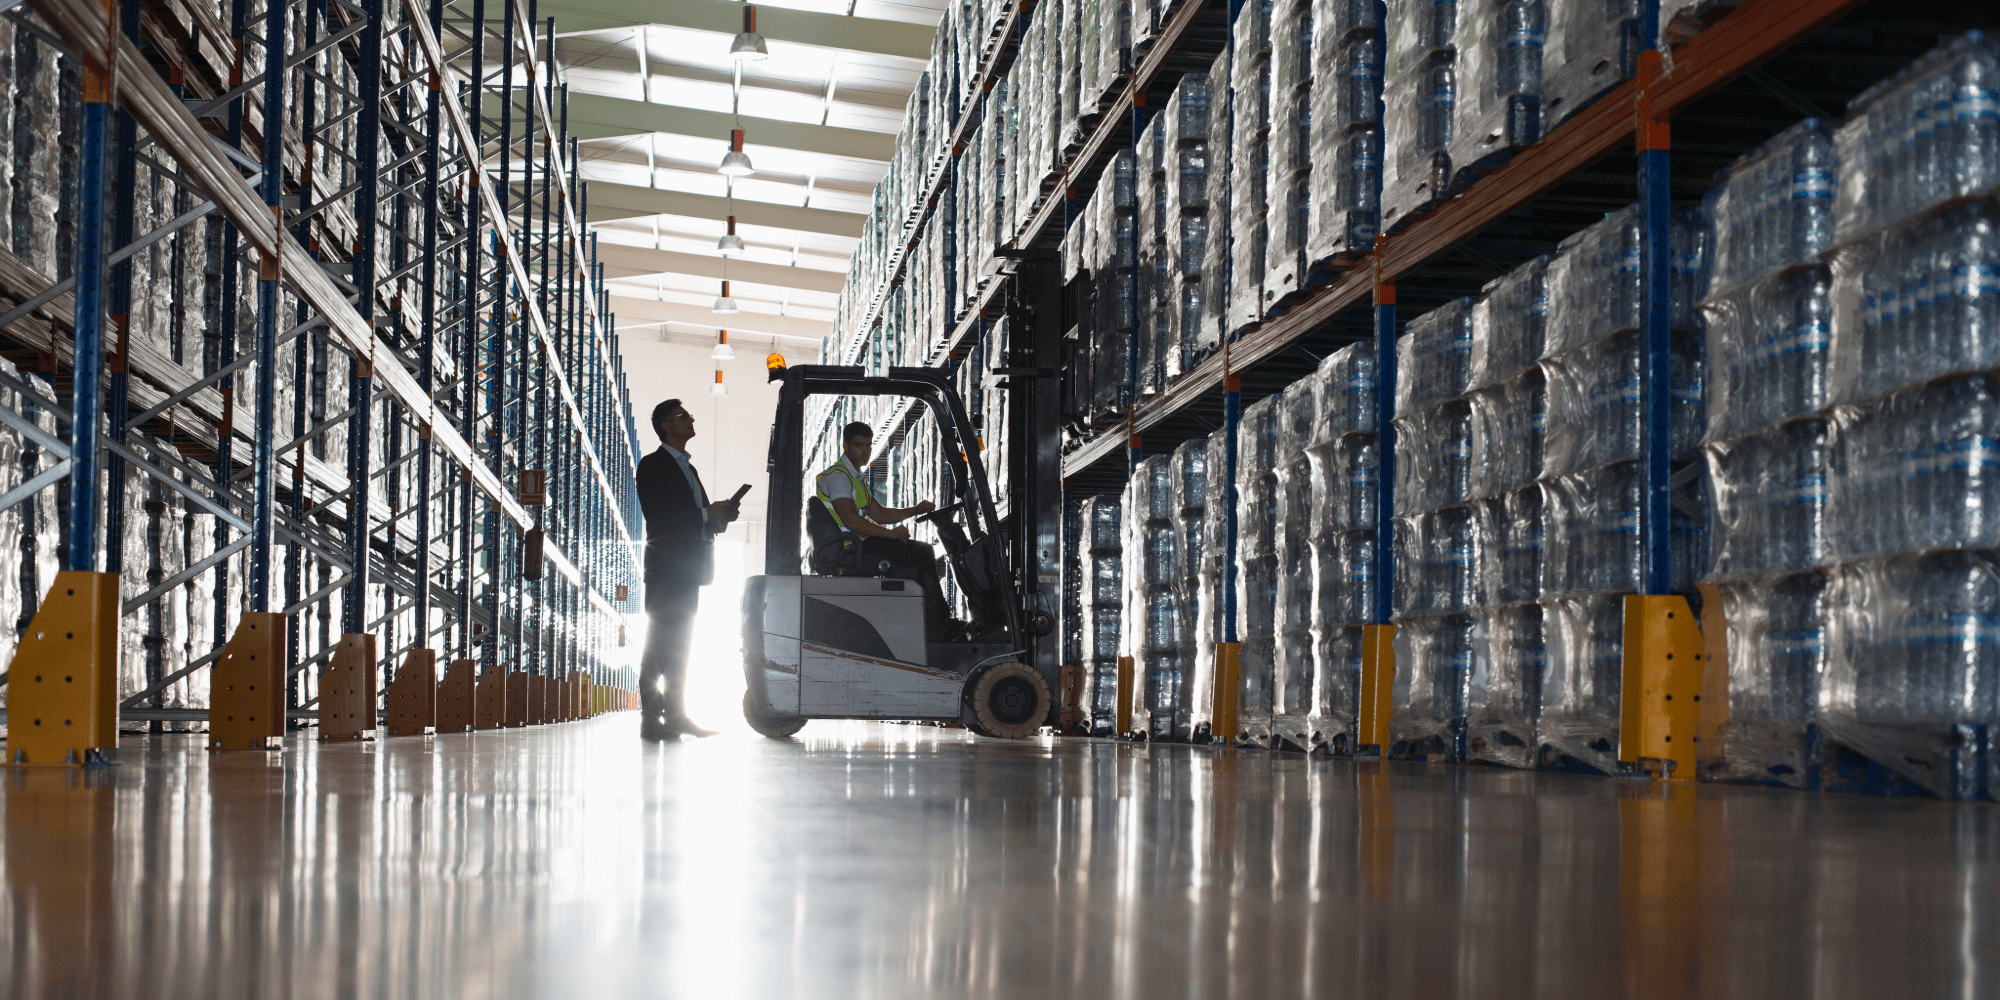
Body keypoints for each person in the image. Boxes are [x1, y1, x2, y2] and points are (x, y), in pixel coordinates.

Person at [635, 398, 740, 740]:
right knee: (657, 647)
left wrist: (719, 517)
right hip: (666, 569)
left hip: (689, 570)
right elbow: (660, 517)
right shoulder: (652, 465)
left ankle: (677, 716)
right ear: (666, 426)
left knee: (680, 646)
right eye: (683, 416)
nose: (691, 418)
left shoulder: (689, 469)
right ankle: (651, 720)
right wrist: (706, 514)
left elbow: (699, 518)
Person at [816, 421, 952, 633]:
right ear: (846, 446)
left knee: (921, 551)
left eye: (869, 446)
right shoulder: (838, 478)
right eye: (859, 446)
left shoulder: (855, 478)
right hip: (850, 549)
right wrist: (889, 534)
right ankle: (938, 625)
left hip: (859, 544)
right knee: (918, 552)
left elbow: (878, 514)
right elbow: (850, 519)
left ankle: (936, 621)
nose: (866, 452)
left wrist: (915, 510)